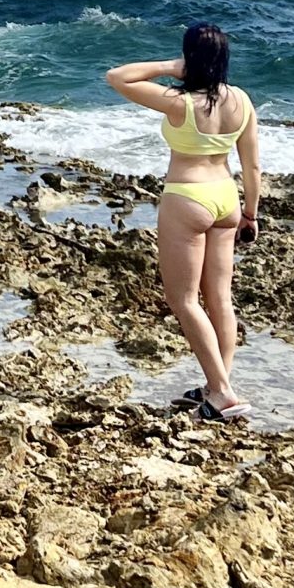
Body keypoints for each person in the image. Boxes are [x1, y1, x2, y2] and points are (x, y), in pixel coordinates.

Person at [105, 23, 261, 421]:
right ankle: (216, 386)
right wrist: (250, 214)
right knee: (220, 299)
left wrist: (171, 67)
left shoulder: (180, 103)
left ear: (190, 57)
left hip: (187, 198)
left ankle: (223, 394)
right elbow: (253, 165)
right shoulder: (241, 100)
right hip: (227, 199)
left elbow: (117, 76)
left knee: (185, 300)